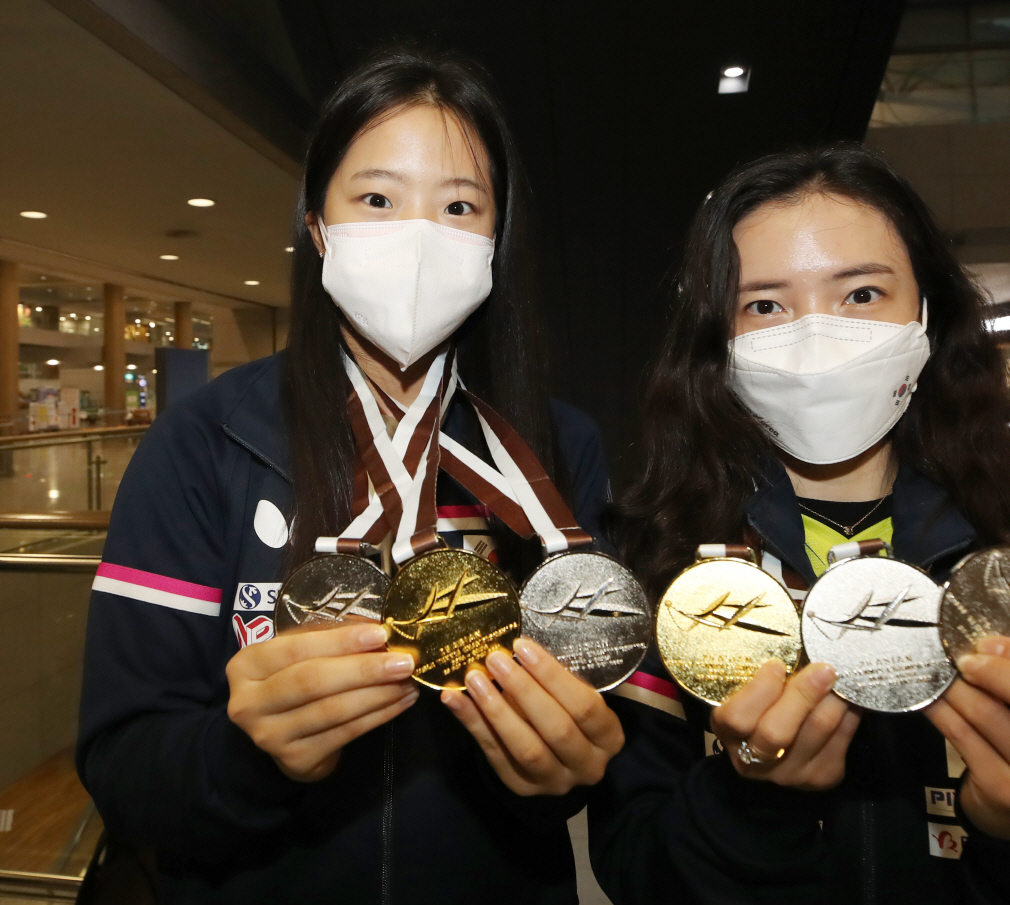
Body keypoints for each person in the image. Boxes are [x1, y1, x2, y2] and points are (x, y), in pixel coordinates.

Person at [76, 47, 625, 904]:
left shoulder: (556, 451)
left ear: (495, 238)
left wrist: (563, 771)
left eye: (459, 206)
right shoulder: (204, 440)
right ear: (317, 225)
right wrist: (249, 758)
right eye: (377, 199)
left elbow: (600, 732)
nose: (419, 235)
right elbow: (124, 760)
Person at [589, 144, 1010, 904]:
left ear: (928, 312)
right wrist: (751, 803)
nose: (817, 340)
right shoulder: (654, 561)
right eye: (765, 306)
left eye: (862, 294)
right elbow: (636, 868)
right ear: (718, 340)